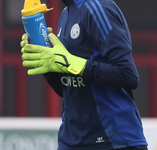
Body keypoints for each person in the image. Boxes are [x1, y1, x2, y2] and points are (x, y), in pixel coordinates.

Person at [20, 0, 148, 149]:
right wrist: (47, 61)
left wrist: (72, 63)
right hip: (71, 141)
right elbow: (66, 88)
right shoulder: (66, 14)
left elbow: (128, 74)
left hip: (113, 140)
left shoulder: (99, 7)